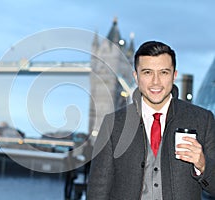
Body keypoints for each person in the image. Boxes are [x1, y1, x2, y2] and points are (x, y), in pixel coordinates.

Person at [87, 41, 215, 199]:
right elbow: (97, 192)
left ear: (174, 75)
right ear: (136, 76)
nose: (156, 82)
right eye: (147, 72)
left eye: (164, 72)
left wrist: (203, 165)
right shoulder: (113, 124)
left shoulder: (203, 120)